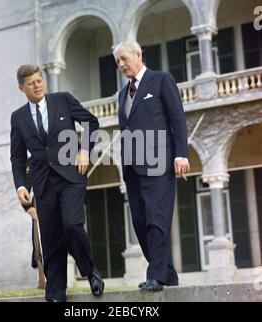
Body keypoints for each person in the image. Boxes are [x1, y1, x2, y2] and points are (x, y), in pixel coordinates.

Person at [10, 64, 104, 302]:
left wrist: (84, 150)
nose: (37, 85)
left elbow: (91, 122)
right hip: (42, 184)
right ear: (22, 88)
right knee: (51, 240)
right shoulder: (18, 118)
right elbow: (18, 156)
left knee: (72, 225)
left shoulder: (63, 100)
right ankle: (55, 294)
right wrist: (21, 186)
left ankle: (90, 271)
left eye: (39, 80)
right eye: (31, 83)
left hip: (71, 176)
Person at [113, 41, 190, 292]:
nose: (121, 65)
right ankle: (167, 273)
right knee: (139, 221)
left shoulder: (161, 80)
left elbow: (177, 118)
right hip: (132, 168)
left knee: (157, 219)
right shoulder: (122, 94)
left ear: (138, 55)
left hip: (159, 164)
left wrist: (181, 154)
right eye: (117, 62)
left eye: (124, 58)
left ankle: (155, 276)